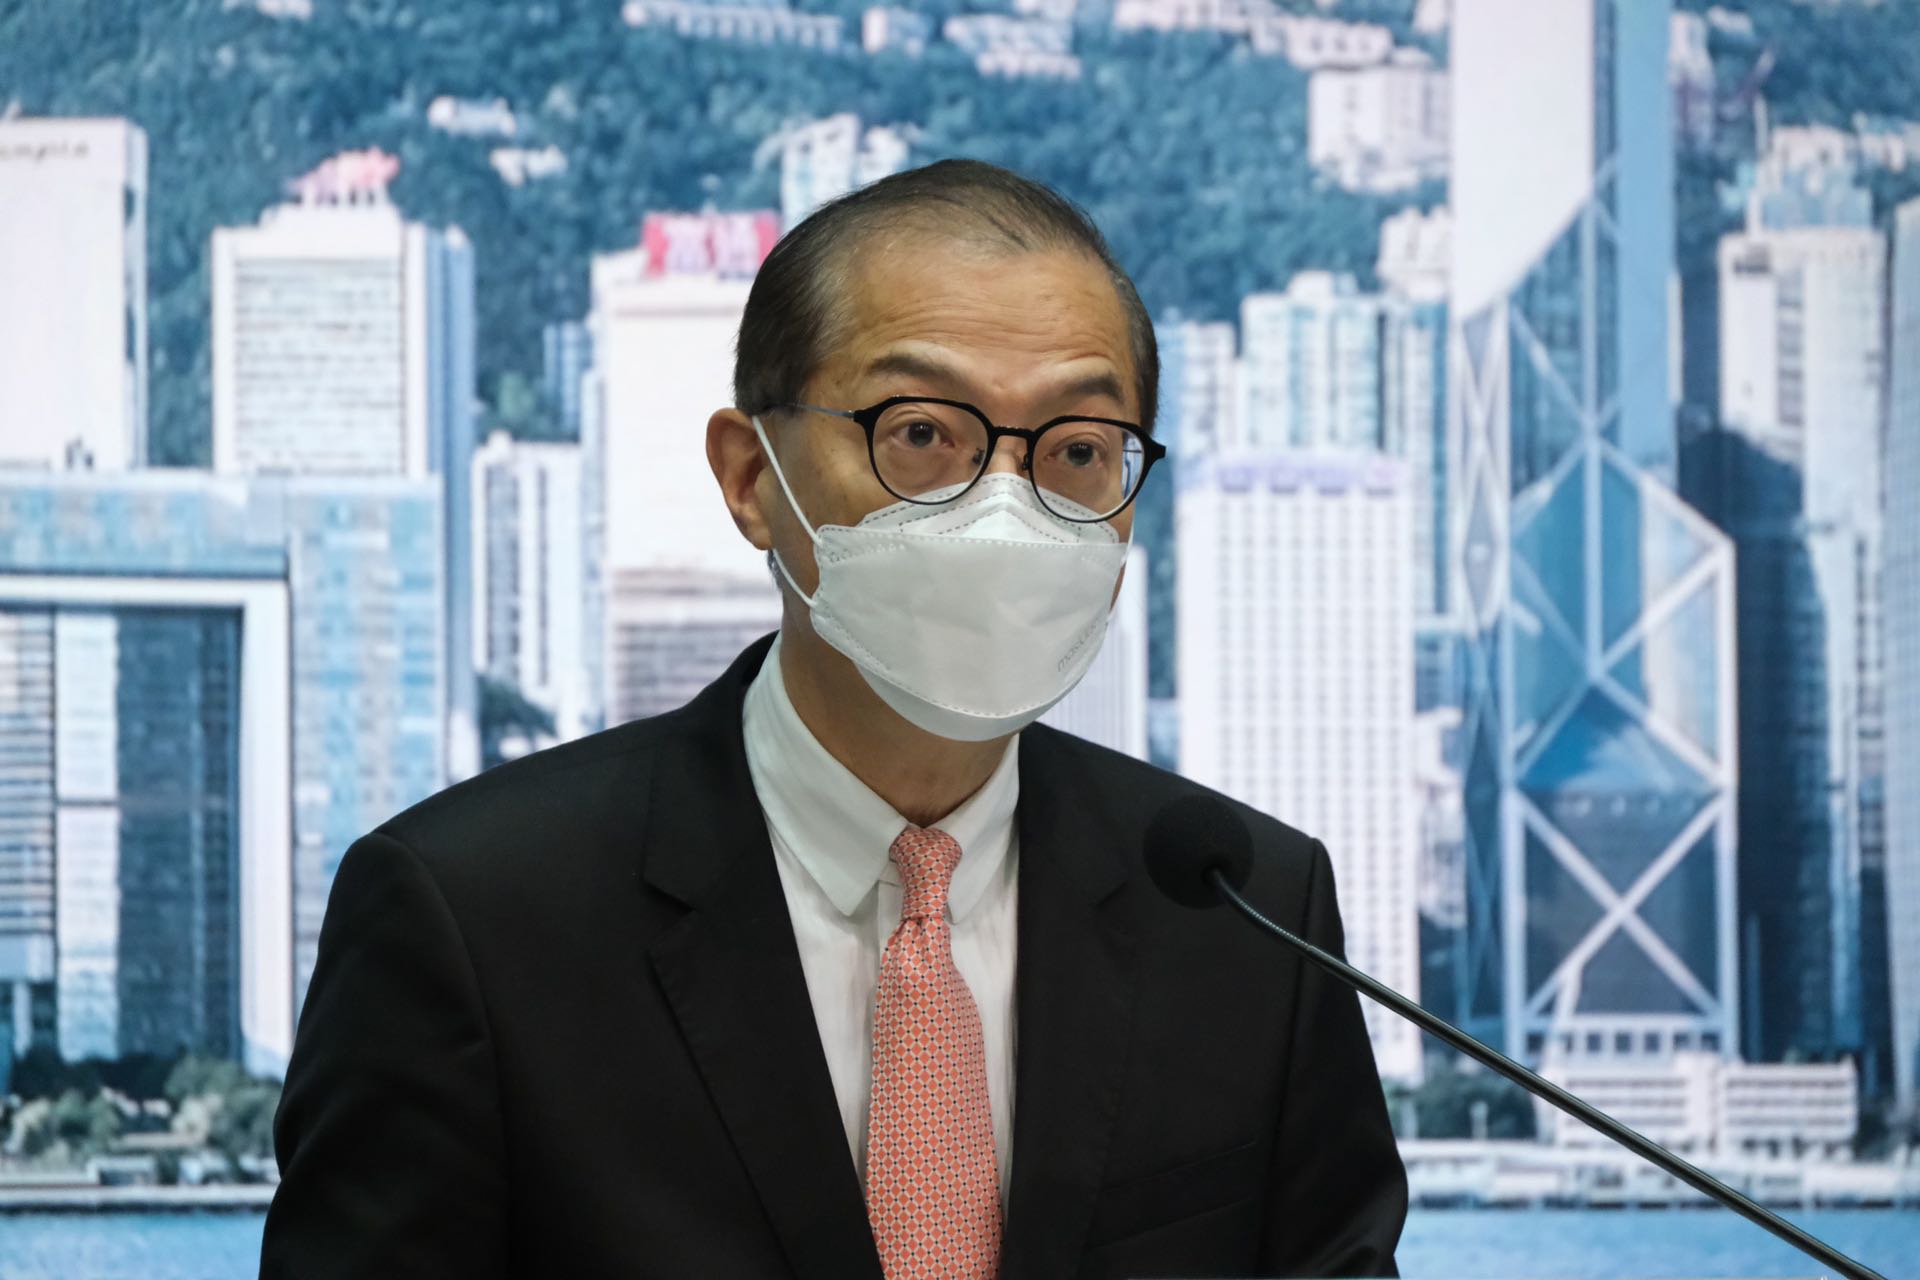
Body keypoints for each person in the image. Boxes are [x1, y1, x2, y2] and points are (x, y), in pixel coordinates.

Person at [260, 159, 1407, 1279]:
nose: (1003, 510)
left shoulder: (1247, 915)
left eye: (1075, 451)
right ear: (751, 475)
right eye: (922, 434)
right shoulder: (473, 918)